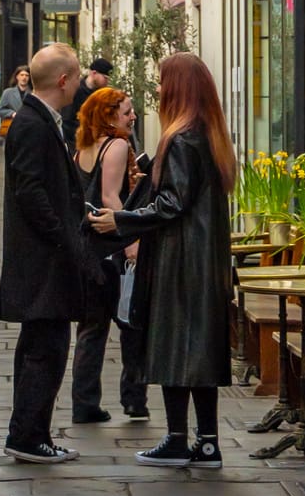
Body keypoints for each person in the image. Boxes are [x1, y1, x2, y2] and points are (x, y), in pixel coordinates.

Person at [89, 52, 236, 470]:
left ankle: (176, 439)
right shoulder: (208, 135)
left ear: (178, 88)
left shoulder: (181, 138)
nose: (156, 89)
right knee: (201, 352)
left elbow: (171, 205)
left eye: (162, 81)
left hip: (181, 261)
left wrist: (122, 220)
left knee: (173, 346)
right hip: (205, 262)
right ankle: (206, 442)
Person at [0, 41, 93, 463]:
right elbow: (31, 191)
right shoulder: (33, 124)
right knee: (45, 350)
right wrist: (63, 238)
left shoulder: (41, 120)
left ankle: (33, 432)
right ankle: (28, 436)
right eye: (77, 75)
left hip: (43, 258)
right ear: (63, 79)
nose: (80, 82)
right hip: (42, 261)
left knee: (43, 346)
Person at [69, 86, 149, 425]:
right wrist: (131, 242)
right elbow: (110, 198)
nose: (133, 116)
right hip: (112, 248)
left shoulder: (84, 148)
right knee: (131, 324)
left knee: (91, 329)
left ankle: (84, 403)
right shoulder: (117, 145)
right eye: (127, 111)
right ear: (108, 115)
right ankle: (134, 399)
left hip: (87, 252)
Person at [63, 56, 115, 152]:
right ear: (94, 73)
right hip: (77, 145)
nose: (107, 82)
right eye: (105, 78)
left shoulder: (101, 94)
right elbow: (67, 121)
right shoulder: (76, 90)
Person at [0, 65, 31, 135]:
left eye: (26, 75)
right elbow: (0, 110)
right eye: (22, 75)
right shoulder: (8, 93)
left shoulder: (33, 94)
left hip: (29, 130)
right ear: (17, 77)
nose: (24, 77)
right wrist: (12, 113)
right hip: (12, 129)